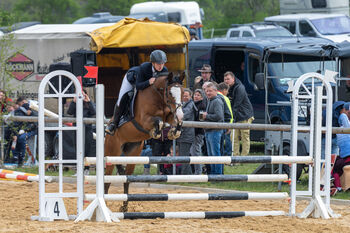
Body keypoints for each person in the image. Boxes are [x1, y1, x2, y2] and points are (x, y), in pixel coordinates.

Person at [105, 50, 168, 135]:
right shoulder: (144, 68)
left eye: (162, 63)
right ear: (152, 63)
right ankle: (113, 124)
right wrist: (148, 82)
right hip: (131, 80)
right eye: (158, 64)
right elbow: (138, 86)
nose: (161, 66)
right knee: (123, 97)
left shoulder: (164, 71)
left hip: (147, 87)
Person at [224, 71, 254, 156]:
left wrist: (231, 117)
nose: (226, 81)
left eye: (228, 79)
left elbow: (237, 104)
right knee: (233, 137)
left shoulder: (240, 87)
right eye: (225, 79)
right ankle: (235, 157)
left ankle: (244, 158)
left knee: (245, 137)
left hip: (245, 115)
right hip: (236, 116)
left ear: (233, 79)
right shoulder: (228, 88)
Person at [67, 89, 96, 175]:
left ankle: (86, 169)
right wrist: (74, 101)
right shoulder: (75, 104)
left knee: (87, 149)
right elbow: (69, 112)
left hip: (87, 129)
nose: (81, 97)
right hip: (77, 129)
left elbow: (94, 112)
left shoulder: (89, 104)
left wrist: (88, 101)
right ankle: (79, 169)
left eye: (83, 95)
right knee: (78, 149)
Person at [202, 82, 224, 175]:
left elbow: (219, 116)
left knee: (215, 153)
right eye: (207, 91)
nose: (208, 93)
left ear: (216, 91)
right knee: (211, 154)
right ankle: (213, 174)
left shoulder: (217, 101)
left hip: (215, 130)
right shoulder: (210, 100)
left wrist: (207, 116)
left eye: (210, 91)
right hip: (209, 130)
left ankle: (217, 174)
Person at [12, 96, 37, 166]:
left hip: (33, 128)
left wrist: (22, 131)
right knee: (18, 138)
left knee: (21, 138)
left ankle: (21, 158)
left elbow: (33, 122)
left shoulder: (30, 106)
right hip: (28, 128)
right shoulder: (29, 106)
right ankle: (18, 157)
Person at [331, 102, 350, 196]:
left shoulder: (339, 132)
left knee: (333, 169)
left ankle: (337, 187)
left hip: (347, 158)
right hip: (347, 157)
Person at [177, 88, 196, 175]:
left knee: (184, 156)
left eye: (186, 96)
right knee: (182, 156)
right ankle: (187, 175)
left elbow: (184, 115)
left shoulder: (191, 104)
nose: (184, 97)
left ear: (190, 96)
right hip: (182, 134)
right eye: (183, 96)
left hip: (187, 134)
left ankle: (186, 175)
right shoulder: (183, 104)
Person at [190, 89, 207, 174]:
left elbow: (200, 119)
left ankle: (198, 172)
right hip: (193, 132)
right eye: (195, 95)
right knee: (193, 152)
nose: (195, 96)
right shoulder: (193, 104)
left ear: (202, 97)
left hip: (198, 132)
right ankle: (196, 171)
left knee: (196, 153)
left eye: (198, 95)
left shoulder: (202, 106)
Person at [217, 82, 233, 157]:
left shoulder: (215, 96)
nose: (228, 93)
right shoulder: (225, 98)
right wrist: (230, 124)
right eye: (227, 91)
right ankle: (228, 155)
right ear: (224, 90)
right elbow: (229, 112)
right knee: (227, 140)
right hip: (225, 124)